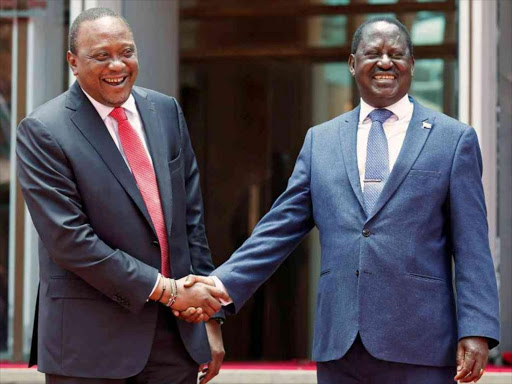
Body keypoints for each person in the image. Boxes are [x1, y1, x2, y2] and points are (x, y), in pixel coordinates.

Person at [181, 17, 500, 384]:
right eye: (372, 53)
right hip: (341, 346)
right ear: (352, 64)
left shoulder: (453, 140)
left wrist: (476, 328)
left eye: (397, 54)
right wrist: (218, 287)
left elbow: (473, 244)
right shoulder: (322, 141)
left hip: (421, 346)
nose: (385, 62)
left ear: (412, 64)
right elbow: (277, 230)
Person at [16, 7, 228, 384]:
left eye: (126, 52)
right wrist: (167, 291)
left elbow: (190, 222)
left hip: (174, 341)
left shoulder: (165, 112)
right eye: (101, 55)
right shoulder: (43, 131)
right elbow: (70, 241)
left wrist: (209, 316)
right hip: (89, 347)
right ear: (73, 62)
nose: (118, 65)